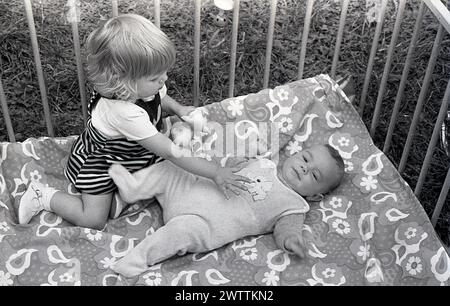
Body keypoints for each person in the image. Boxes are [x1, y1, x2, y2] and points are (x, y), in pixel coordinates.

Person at [17, 14, 250, 230]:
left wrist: (179, 109)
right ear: (123, 83)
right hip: (102, 165)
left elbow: (160, 98)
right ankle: (43, 196)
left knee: (167, 177)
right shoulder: (124, 112)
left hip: (132, 156)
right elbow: (170, 152)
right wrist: (215, 172)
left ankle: (120, 196)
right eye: (155, 78)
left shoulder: (143, 87)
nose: (164, 79)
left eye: (164, 73)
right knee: (94, 219)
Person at [107, 140, 345, 277]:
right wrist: (236, 160)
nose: (305, 168)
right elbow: (228, 166)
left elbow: (287, 229)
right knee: (171, 168)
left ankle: (137, 260)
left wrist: (291, 240)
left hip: (204, 224)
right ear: (296, 153)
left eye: (314, 174)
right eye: (305, 159)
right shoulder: (264, 162)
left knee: (179, 233)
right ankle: (134, 188)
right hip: (192, 191)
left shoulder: (294, 206)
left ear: (315, 195)